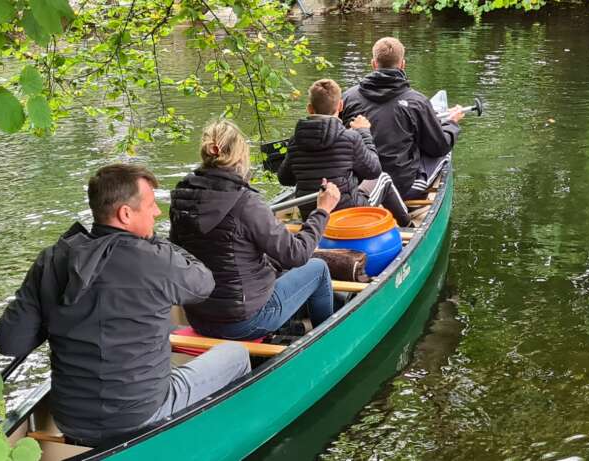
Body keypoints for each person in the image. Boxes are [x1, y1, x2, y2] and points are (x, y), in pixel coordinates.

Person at [0, 164, 251, 446]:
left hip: (71, 419)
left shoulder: (52, 259)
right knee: (236, 354)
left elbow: (10, 343)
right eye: (151, 205)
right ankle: (224, 439)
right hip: (141, 415)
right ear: (125, 214)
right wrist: (156, 242)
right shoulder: (154, 260)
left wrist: (52, 311)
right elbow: (203, 283)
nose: (156, 213)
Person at [169, 119, 342, 341]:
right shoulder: (246, 202)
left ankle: (288, 329)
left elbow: (179, 254)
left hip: (198, 317)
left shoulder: (182, 196)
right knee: (318, 268)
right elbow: (296, 255)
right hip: (243, 321)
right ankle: (328, 340)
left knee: (275, 268)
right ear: (241, 156)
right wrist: (322, 210)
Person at [341, 36, 466, 199]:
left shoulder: (347, 98)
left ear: (373, 64)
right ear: (402, 64)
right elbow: (438, 148)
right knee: (441, 149)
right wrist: (451, 124)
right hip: (401, 187)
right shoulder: (416, 101)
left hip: (356, 183)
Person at [278, 78, 413, 227]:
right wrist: (364, 132)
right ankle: (408, 226)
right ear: (341, 105)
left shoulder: (295, 141)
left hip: (310, 213)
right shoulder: (350, 137)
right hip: (347, 213)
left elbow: (285, 179)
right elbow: (374, 170)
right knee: (383, 178)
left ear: (310, 109)